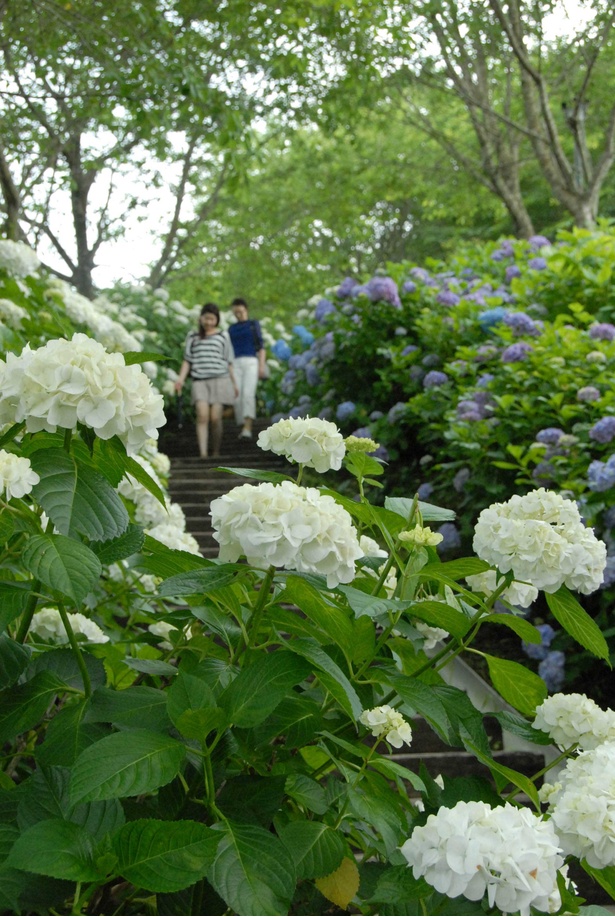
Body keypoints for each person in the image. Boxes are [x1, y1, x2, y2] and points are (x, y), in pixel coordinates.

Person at [174, 303, 238, 458]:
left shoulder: (223, 336)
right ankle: (203, 454)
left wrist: (235, 383)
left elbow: (228, 361)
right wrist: (180, 380)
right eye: (206, 318)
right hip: (199, 381)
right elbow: (187, 360)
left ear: (217, 320)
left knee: (216, 418)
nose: (209, 322)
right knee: (202, 416)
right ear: (201, 318)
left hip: (220, 379)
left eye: (212, 319)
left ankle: (215, 452)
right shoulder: (192, 336)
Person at [227, 297, 267, 440]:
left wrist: (261, 365)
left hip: (251, 361)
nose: (238, 314)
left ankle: (248, 428)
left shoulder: (253, 324)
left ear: (246, 310)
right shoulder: (231, 329)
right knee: (237, 396)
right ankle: (241, 425)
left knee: (248, 394)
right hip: (235, 362)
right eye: (235, 312)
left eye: (240, 311)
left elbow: (261, 347)